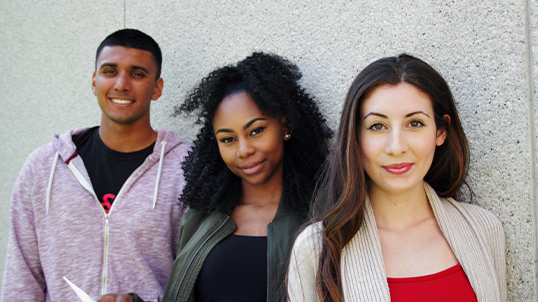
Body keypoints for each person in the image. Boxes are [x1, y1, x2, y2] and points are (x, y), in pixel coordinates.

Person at [99, 52, 332, 302]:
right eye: (228, 139)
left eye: (256, 131)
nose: (244, 150)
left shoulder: (323, 217)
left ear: (285, 126)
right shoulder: (198, 220)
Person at [287, 54, 506, 302]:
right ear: (355, 137)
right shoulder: (316, 249)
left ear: (441, 131)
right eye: (377, 126)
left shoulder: (484, 229)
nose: (396, 147)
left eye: (415, 123)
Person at [1, 29, 189, 302]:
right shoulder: (42, 167)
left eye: (137, 73)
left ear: (157, 88)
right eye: (110, 71)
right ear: (94, 81)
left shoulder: (186, 169)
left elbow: (199, 282)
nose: (121, 84)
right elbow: (21, 278)